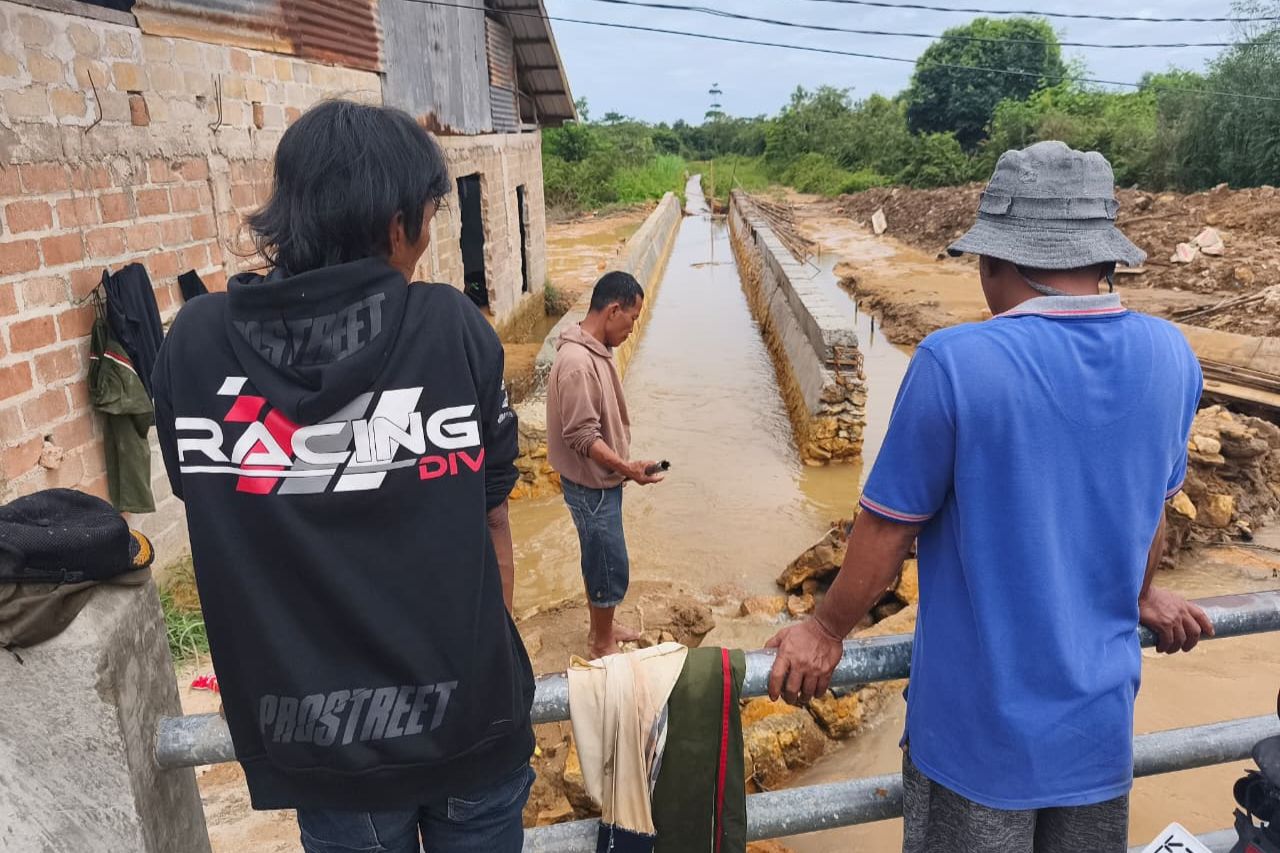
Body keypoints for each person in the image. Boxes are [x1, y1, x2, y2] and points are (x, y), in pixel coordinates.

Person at [764, 141, 1215, 853]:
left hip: (977, 741)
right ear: (1105, 257)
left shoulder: (957, 363)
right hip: (1098, 735)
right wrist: (1141, 591)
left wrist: (824, 630)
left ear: (996, 260)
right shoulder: (1171, 356)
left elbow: (884, 535)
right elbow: (1148, 514)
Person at [152, 100, 535, 853]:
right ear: (397, 223)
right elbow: (492, 518)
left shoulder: (195, 345)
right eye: (430, 215)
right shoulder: (448, 327)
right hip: (469, 721)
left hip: (318, 747)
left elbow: (210, 501)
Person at [547, 271, 664, 659]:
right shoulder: (578, 363)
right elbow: (581, 437)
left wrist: (626, 466)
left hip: (601, 481)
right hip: (591, 486)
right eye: (631, 319)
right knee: (609, 565)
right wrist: (628, 468)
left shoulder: (595, 348)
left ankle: (606, 627)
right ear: (613, 310)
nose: (633, 328)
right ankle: (601, 644)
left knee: (599, 558)